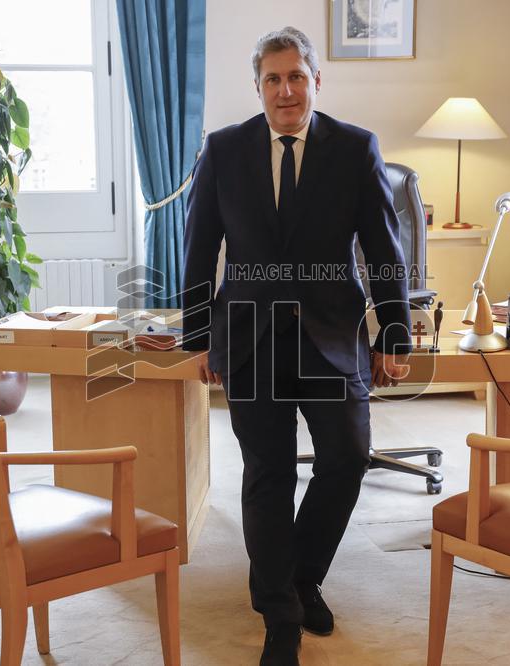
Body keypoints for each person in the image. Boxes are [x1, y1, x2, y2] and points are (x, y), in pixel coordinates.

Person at [181, 26, 412, 666]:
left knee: (347, 457)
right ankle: (279, 613)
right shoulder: (223, 151)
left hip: (330, 336)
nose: (286, 90)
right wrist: (196, 335)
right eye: (273, 79)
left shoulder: (356, 148)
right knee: (269, 474)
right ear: (257, 87)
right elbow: (200, 250)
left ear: (316, 79)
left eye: (297, 76)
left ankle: (302, 574)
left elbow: (384, 251)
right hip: (250, 336)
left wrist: (393, 331)